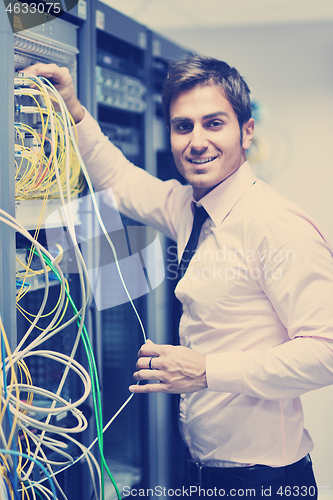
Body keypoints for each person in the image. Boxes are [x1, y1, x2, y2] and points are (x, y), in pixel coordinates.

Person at [24, 56, 333, 498]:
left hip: (267, 483)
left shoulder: (274, 224)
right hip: (206, 476)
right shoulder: (189, 208)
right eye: (183, 126)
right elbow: (118, 178)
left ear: (246, 132)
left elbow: (327, 351)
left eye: (214, 123)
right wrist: (73, 110)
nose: (197, 141)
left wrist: (206, 370)